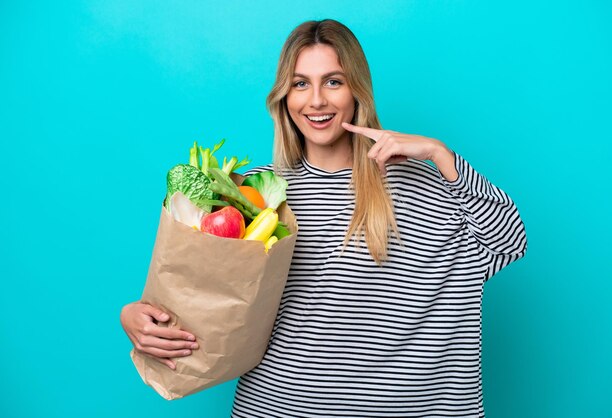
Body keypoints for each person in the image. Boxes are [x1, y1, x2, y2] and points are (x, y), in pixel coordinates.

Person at [121, 19, 527, 417]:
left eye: (333, 81)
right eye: (300, 84)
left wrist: (442, 155)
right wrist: (137, 315)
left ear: (357, 91)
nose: (316, 100)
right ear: (285, 96)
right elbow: (207, 292)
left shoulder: (428, 183)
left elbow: (510, 242)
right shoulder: (254, 193)